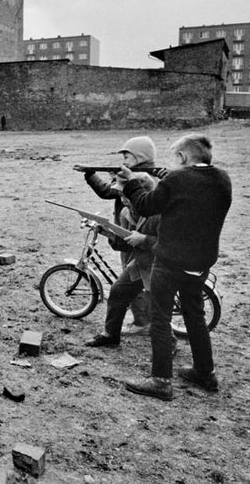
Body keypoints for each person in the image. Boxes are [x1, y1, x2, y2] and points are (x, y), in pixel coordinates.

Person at [120, 134, 232, 401]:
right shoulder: (222, 179)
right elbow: (189, 189)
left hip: (170, 262)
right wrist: (166, 176)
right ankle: (206, 372)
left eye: (176, 158)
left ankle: (160, 381)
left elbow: (146, 205)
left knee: (160, 319)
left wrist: (131, 183)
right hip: (200, 263)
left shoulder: (176, 180)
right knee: (195, 317)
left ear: (182, 157)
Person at [76, 136, 161, 336]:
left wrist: (91, 175)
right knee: (131, 280)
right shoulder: (140, 176)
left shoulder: (140, 179)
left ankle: (142, 321)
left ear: (141, 156)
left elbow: (106, 192)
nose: (123, 161)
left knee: (134, 280)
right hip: (131, 231)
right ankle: (141, 320)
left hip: (139, 235)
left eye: (127, 156)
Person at [85, 184, 161, 348]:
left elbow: (171, 244)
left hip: (159, 265)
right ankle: (111, 334)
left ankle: (169, 344)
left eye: (127, 196)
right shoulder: (130, 213)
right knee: (118, 291)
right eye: (121, 196)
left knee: (159, 307)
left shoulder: (159, 213)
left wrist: (144, 239)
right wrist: (108, 233)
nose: (124, 200)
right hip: (141, 262)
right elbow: (126, 244)